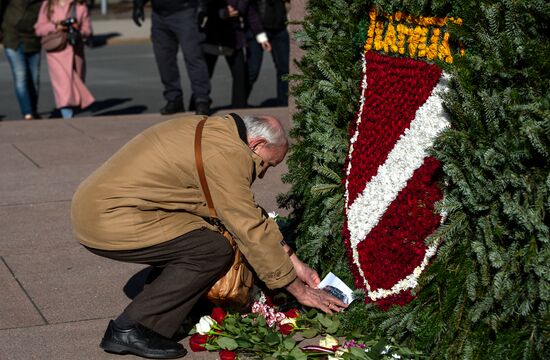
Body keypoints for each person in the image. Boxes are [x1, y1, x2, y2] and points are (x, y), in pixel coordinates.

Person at [71, 113, 347, 359]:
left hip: (104, 207)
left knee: (205, 237)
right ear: (256, 145)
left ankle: (170, 308)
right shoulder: (227, 156)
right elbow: (249, 228)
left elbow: (247, 213)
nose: (262, 174)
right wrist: (300, 291)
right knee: (210, 249)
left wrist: (294, 262)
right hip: (107, 218)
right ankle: (131, 327)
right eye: (267, 164)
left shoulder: (220, 132)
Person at [132, 0, 212, 115]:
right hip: (159, 14)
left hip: (185, 11)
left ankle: (202, 99)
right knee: (164, 59)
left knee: (193, 57)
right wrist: (138, 4)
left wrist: (203, 6)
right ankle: (174, 98)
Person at [202, 0, 271, 109]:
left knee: (240, 75)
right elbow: (206, 8)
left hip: (234, 39)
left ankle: (239, 109)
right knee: (204, 75)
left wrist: (261, 37)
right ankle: (198, 105)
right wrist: (223, 13)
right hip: (213, 37)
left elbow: (252, 15)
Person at [34, 0, 94, 119]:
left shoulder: (79, 5)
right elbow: (39, 29)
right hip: (56, 52)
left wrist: (78, 32)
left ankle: (69, 112)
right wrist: (56, 26)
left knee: (75, 86)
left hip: (75, 52)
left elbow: (88, 29)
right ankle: (67, 116)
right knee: (63, 87)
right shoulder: (48, 4)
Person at [0, 0, 43, 120]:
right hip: (13, 37)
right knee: (21, 76)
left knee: (34, 79)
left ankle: (33, 111)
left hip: (34, 38)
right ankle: (28, 113)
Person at [247, 0, 289, 106]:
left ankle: (284, 103)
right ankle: (239, 102)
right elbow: (250, 8)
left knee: (284, 68)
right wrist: (260, 34)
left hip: (279, 27)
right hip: (256, 27)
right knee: (252, 70)